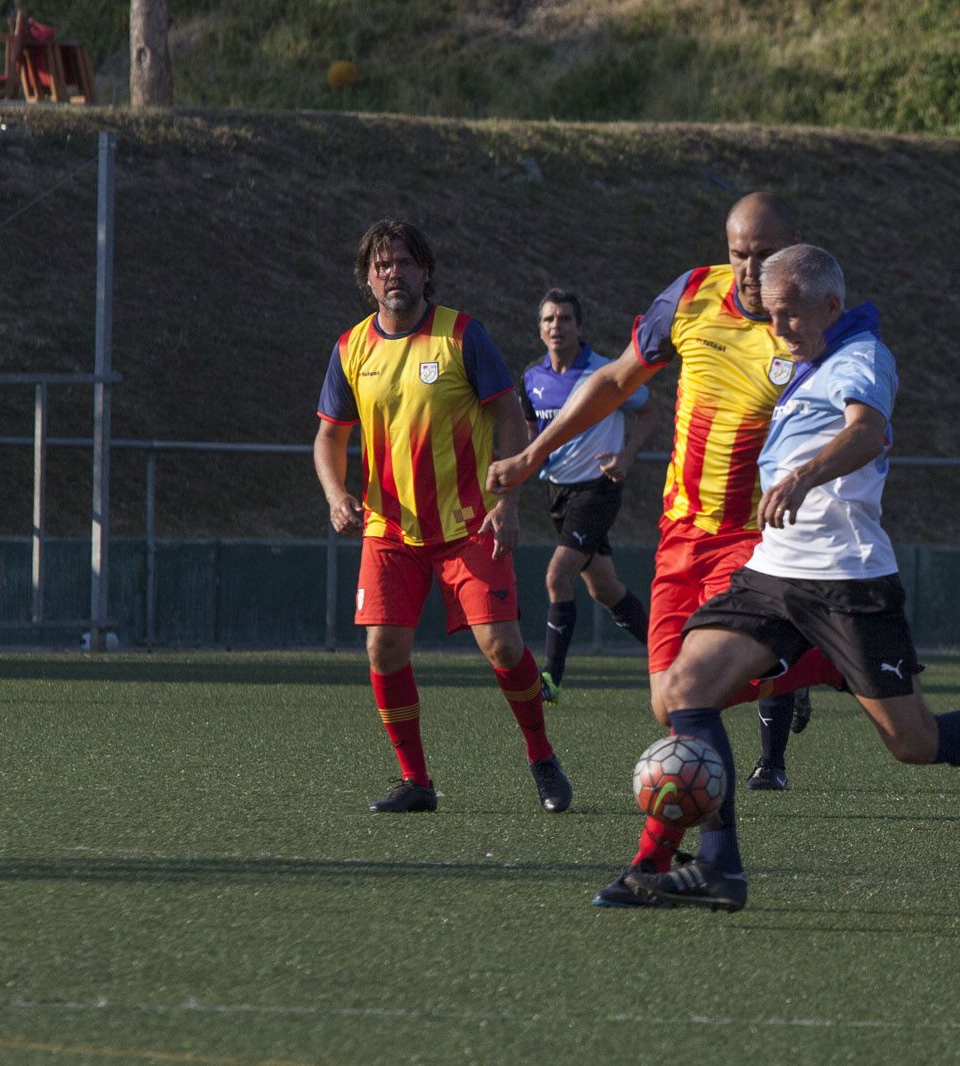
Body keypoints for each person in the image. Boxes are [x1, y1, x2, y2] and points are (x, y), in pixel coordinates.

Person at [621, 244, 960, 911]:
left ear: (831, 306)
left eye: (791, 317)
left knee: (913, 741)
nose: (779, 331)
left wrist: (804, 474)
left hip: (846, 581)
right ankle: (720, 869)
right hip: (773, 572)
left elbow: (865, 431)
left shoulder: (864, 359)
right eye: (771, 317)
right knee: (684, 692)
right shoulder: (806, 362)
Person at [488, 193, 841, 905]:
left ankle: (687, 864)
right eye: (739, 252)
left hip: (754, 540)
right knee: (666, 703)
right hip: (680, 535)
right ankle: (813, 665)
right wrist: (530, 457)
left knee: (692, 695)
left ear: (795, 246)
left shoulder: (810, 330)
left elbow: (854, 428)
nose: (749, 268)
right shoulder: (689, 295)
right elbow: (618, 378)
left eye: (766, 254)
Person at [313, 219, 572, 816]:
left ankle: (541, 755)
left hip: (470, 523)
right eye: (381, 266)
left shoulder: (462, 335)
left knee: (503, 647)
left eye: (404, 262)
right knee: (383, 649)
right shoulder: (351, 349)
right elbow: (328, 437)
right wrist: (335, 494)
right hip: (390, 527)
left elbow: (510, 419)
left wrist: (508, 501)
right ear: (367, 280)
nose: (393, 274)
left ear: (425, 271)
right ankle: (416, 781)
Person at [520, 288, 656, 704]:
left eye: (564, 319)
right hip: (557, 493)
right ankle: (667, 654)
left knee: (557, 576)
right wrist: (522, 463)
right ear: (540, 329)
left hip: (597, 491)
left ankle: (551, 679)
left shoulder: (605, 373)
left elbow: (650, 411)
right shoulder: (531, 378)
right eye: (548, 320)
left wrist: (627, 456)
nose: (556, 326)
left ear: (579, 328)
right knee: (605, 588)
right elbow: (531, 431)